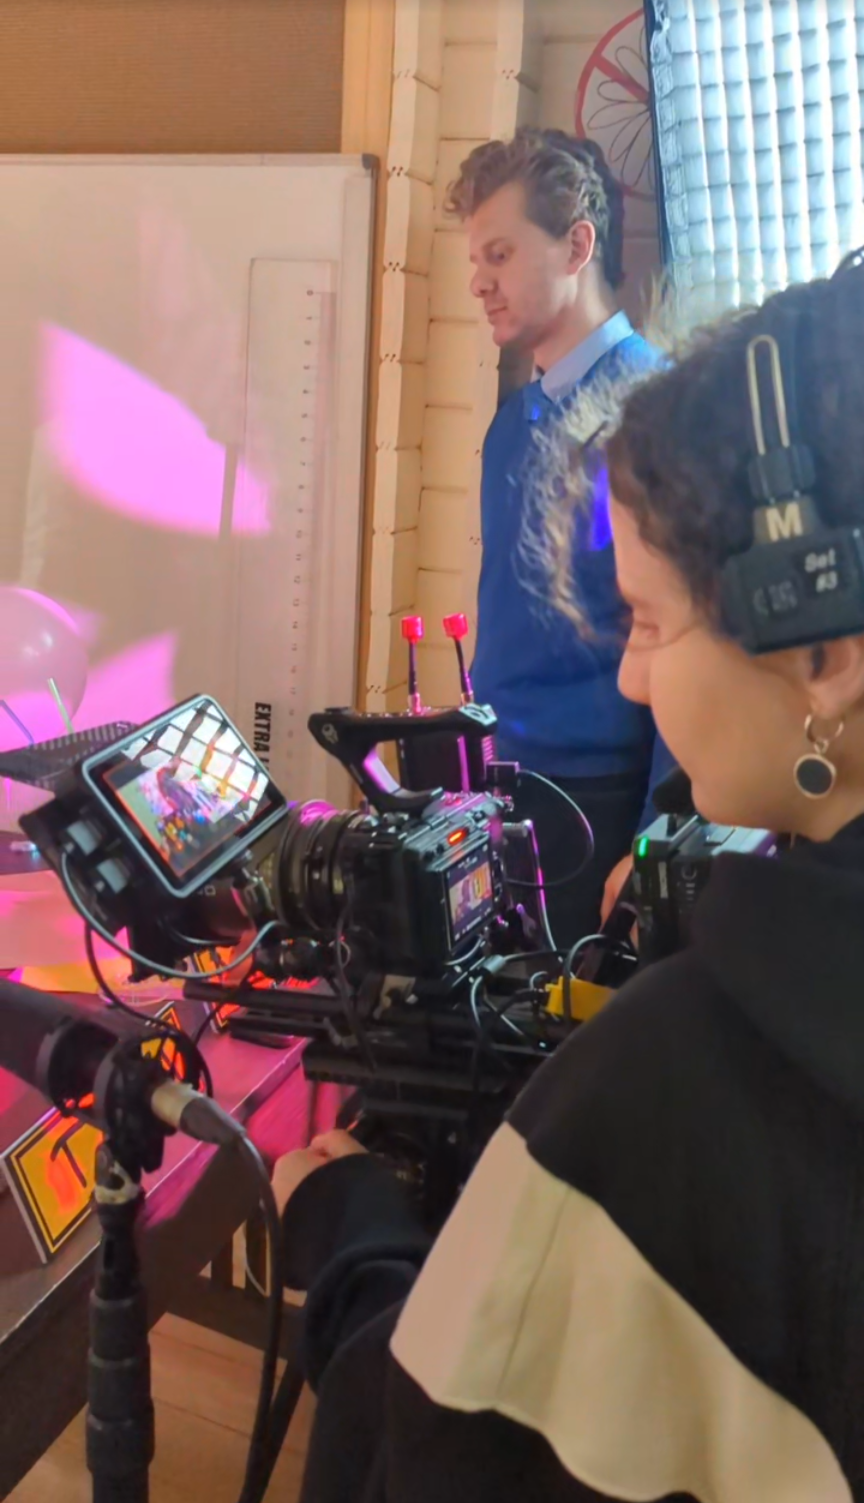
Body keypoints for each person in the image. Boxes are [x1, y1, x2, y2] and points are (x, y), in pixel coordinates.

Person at [273, 259, 864, 1502]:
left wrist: (354, 1232)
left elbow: (424, 1452)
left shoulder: (677, 1089)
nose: (635, 678)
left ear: (822, 649)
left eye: (647, 622)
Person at [446, 128, 673, 947]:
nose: (479, 282)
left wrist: (656, 837)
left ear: (577, 246)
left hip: (602, 800)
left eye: (500, 255)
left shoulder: (655, 412)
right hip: (498, 786)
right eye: (477, 260)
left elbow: (688, 636)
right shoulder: (513, 423)